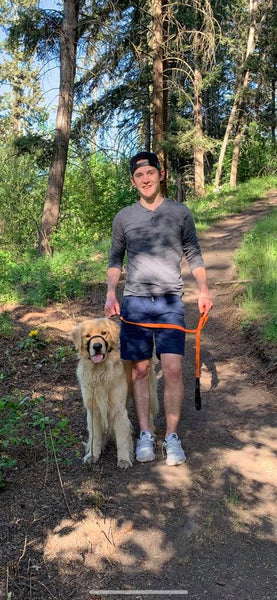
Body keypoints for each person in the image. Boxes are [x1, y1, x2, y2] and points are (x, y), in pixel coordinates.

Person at [104, 151, 213, 466]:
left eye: (150, 172)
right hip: (135, 303)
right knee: (139, 371)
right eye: (139, 175)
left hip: (170, 303)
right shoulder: (124, 217)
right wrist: (111, 292)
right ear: (133, 180)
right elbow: (115, 259)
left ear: (160, 174)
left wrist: (204, 290)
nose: (146, 179)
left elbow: (193, 252)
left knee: (173, 371)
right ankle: (146, 435)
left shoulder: (179, 213)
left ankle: (172, 436)